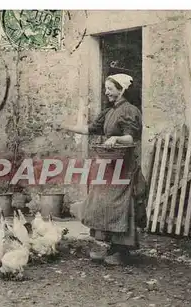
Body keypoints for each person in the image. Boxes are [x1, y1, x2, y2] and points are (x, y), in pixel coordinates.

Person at [55, 71, 148, 266]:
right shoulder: (109, 111)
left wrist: (116, 138)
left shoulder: (130, 111)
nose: (107, 92)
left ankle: (122, 251)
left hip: (124, 165)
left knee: (119, 206)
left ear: (122, 90)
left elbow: (131, 138)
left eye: (110, 89)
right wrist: (65, 126)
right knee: (101, 203)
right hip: (110, 165)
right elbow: (90, 129)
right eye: (106, 89)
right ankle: (110, 246)